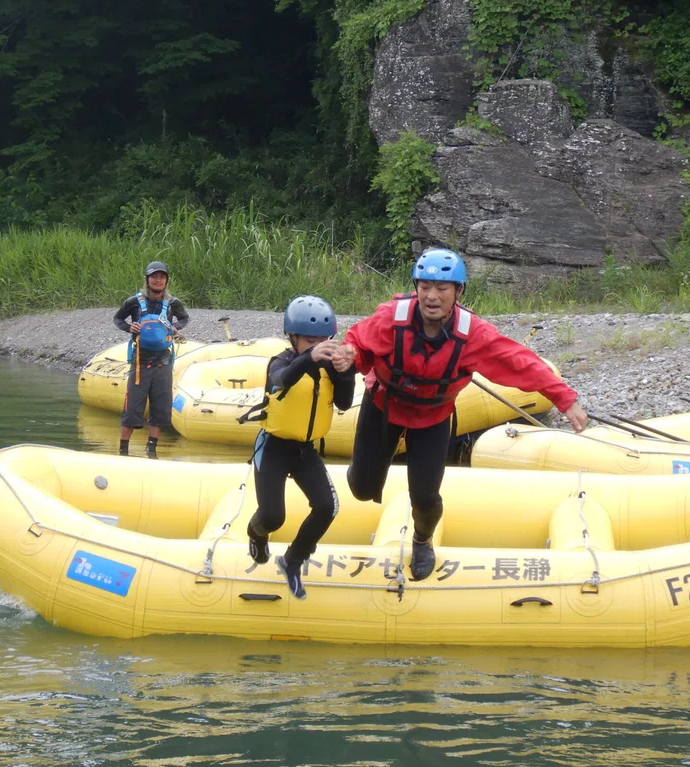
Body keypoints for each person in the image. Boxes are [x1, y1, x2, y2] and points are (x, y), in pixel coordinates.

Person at [340, 247, 588, 582]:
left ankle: (422, 540)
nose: (432, 296)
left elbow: (518, 362)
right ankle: (364, 468)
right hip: (384, 406)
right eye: (425, 287)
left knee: (425, 497)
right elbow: (358, 343)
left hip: (432, 417)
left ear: (458, 292)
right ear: (416, 288)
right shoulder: (390, 317)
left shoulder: (473, 334)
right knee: (361, 487)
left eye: (442, 288)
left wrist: (564, 399)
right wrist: (349, 356)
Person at [241, 295, 356, 600]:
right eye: (309, 341)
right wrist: (310, 358)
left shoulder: (330, 367)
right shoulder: (280, 362)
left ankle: (293, 560)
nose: (318, 346)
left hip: (304, 450)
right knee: (273, 518)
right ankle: (256, 532)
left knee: (327, 507)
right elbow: (282, 380)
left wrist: (346, 371)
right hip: (273, 447)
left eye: (323, 340)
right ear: (292, 338)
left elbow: (344, 403)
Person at [113, 260, 189, 458]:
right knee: (132, 407)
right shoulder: (134, 302)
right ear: (147, 280)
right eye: (154, 277)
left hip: (163, 361)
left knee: (160, 407)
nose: (158, 280)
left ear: (166, 280)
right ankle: (123, 451)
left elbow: (184, 318)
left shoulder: (172, 303)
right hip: (140, 361)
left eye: (162, 277)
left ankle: (151, 449)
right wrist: (129, 327)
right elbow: (118, 319)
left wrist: (176, 327)